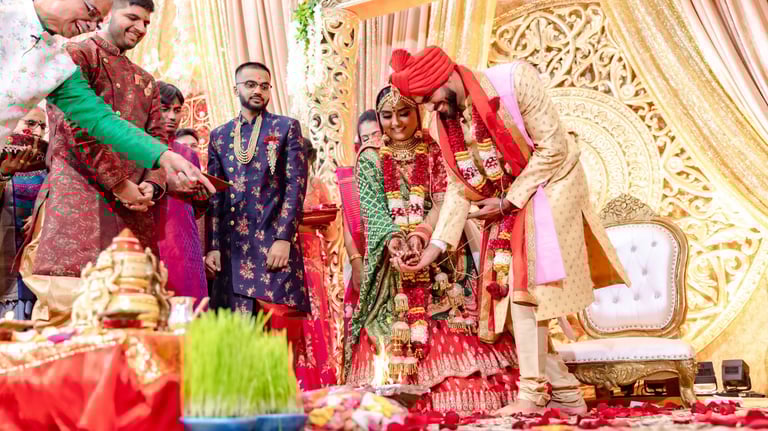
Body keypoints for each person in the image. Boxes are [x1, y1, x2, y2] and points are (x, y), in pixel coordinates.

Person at [389, 46, 630, 414]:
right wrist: (434, 248)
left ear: (447, 77)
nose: (432, 110)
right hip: (507, 197)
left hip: (554, 182)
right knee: (501, 295)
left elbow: (553, 147)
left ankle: (532, 395)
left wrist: (509, 201)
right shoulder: (445, 120)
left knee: (522, 286)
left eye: (432, 100)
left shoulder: (515, 80)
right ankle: (566, 391)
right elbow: (458, 187)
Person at [345, 86, 519, 416]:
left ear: (419, 112)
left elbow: (444, 201)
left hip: (442, 255)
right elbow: (373, 210)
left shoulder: (436, 149)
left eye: (404, 112)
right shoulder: (369, 158)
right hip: (390, 258)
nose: (395, 122)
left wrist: (422, 237)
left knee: (452, 316)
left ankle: (461, 403)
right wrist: (396, 241)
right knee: (392, 328)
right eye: (387, 115)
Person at [23, 0, 168, 326]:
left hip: (133, 213)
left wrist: (152, 184)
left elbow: (158, 141)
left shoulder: (145, 80)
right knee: (69, 311)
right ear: (106, 15)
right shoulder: (75, 56)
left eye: (146, 23)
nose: (141, 29)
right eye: (133, 17)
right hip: (78, 201)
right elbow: (76, 128)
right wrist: (120, 183)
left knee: (136, 311)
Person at [0, 0, 214, 197]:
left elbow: (102, 121)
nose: (92, 26)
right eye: (91, 12)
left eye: (98, 20)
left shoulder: (58, 64)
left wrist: (165, 156)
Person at [205, 62, 309, 314]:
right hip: (232, 251)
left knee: (274, 331)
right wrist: (214, 246)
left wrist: (284, 238)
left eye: (264, 86)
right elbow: (216, 196)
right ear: (236, 89)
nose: (258, 91)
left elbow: (296, 186)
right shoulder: (219, 135)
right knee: (235, 334)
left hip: (272, 245)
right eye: (250, 85)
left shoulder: (285, 128)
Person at [152, 81, 207, 304]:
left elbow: (197, 207)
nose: (172, 117)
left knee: (189, 299)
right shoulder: (139, 145)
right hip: (154, 229)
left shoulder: (188, 153)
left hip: (185, 235)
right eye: (165, 109)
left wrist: (201, 197)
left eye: (177, 110)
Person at [292, 139, 337, 389]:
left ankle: (321, 379)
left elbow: (330, 232)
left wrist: (318, 222)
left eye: (304, 159)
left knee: (316, 316)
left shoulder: (318, 186)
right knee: (295, 319)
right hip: (288, 260)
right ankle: (299, 381)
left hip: (313, 259)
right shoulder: (281, 188)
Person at [337, 109, 381, 343]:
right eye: (366, 138)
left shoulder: (400, 166)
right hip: (365, 261)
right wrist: (356, 262)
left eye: (377, 135)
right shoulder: (353, 179)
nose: (372, 142)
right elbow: (348, 222)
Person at [0, 107, 48, 319]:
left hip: (37, 270)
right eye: (30, 123)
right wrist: (3, 174)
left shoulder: (51, 169)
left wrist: (43, 215)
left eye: (43, 126)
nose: (37, 131)